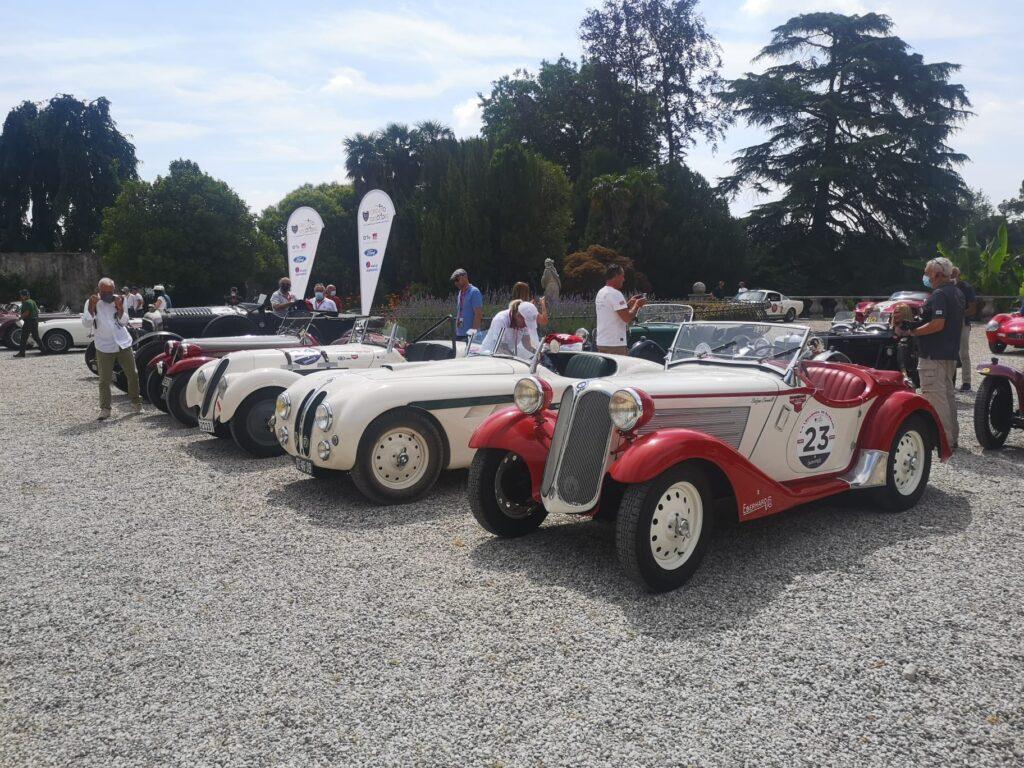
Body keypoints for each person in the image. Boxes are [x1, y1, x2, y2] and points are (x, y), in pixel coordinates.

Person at [897, 257, 964, 449]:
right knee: (948, 396)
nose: (925, 276)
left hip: (933, 354)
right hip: (949, 353)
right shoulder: (957, 293)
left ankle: (945, 441)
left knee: (936, 398)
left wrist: (913, 331)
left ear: (936, 274)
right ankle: (953, 438)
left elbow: (937, 324)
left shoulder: (940, 294)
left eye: (927, 273)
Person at [83, 278, 141, 420]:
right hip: (104, 345)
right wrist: (91, 307)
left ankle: (136, 402)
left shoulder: (120, 300)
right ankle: (105, 409)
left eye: (110, 292)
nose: (107, 295)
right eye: (104, 292)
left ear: (114, 290)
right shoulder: (92, 301)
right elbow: (86, 323)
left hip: (123, 342)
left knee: (132, 374)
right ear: (98, 290)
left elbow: (124, 321)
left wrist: (120, 307)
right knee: (104, 379)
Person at [595, 264, 646, 354]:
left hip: (602, 342)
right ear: (616, 276)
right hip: (615, 344)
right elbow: (627, 318)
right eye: (622, 276)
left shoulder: (601, 292)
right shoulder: (615, 293)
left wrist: (629, 304)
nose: (624, 279)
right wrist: (637, 305)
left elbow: (613, 311)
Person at [951, 266, 977, 392]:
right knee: (949, 352)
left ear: (959, 275)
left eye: (954, 274)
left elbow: (973, 308)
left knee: (964, 353)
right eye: (951, 274)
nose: (952, 276)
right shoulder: (946, 288)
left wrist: (959, 314)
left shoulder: (966, 287)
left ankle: (966, 382)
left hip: (962, 323)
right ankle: (951, 381)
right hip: (948, 323)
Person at [451, 268, 483, 341]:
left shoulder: (474, 292)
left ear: (464, 277)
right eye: (454, 281)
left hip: (470, 336)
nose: (456, 283)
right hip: (460, 334)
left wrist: (473, 334)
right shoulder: (460, 293)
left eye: (457, 280)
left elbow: (478, 314)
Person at [14, 288, 43, 357]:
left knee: (23, 338)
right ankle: (44, 350)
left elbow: (27, 313)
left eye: (21, 295)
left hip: (29, 322)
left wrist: (19, 318)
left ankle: (22, 353)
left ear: (24, 295)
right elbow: (36, 311)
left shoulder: (26, 302)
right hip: (35, 321)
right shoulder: (32, 301)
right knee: (36, 337)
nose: (21, 296)